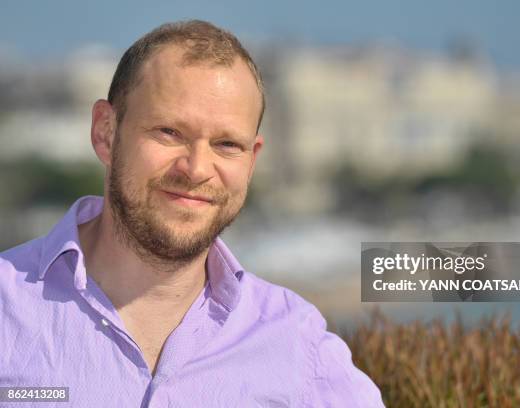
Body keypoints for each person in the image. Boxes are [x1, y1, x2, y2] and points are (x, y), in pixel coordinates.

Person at [0, 20, 384, 407]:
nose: (197, 168)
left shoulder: (298, 345)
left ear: (251, 161)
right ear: (105, 133)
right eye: (168, 132)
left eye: (227, 144)